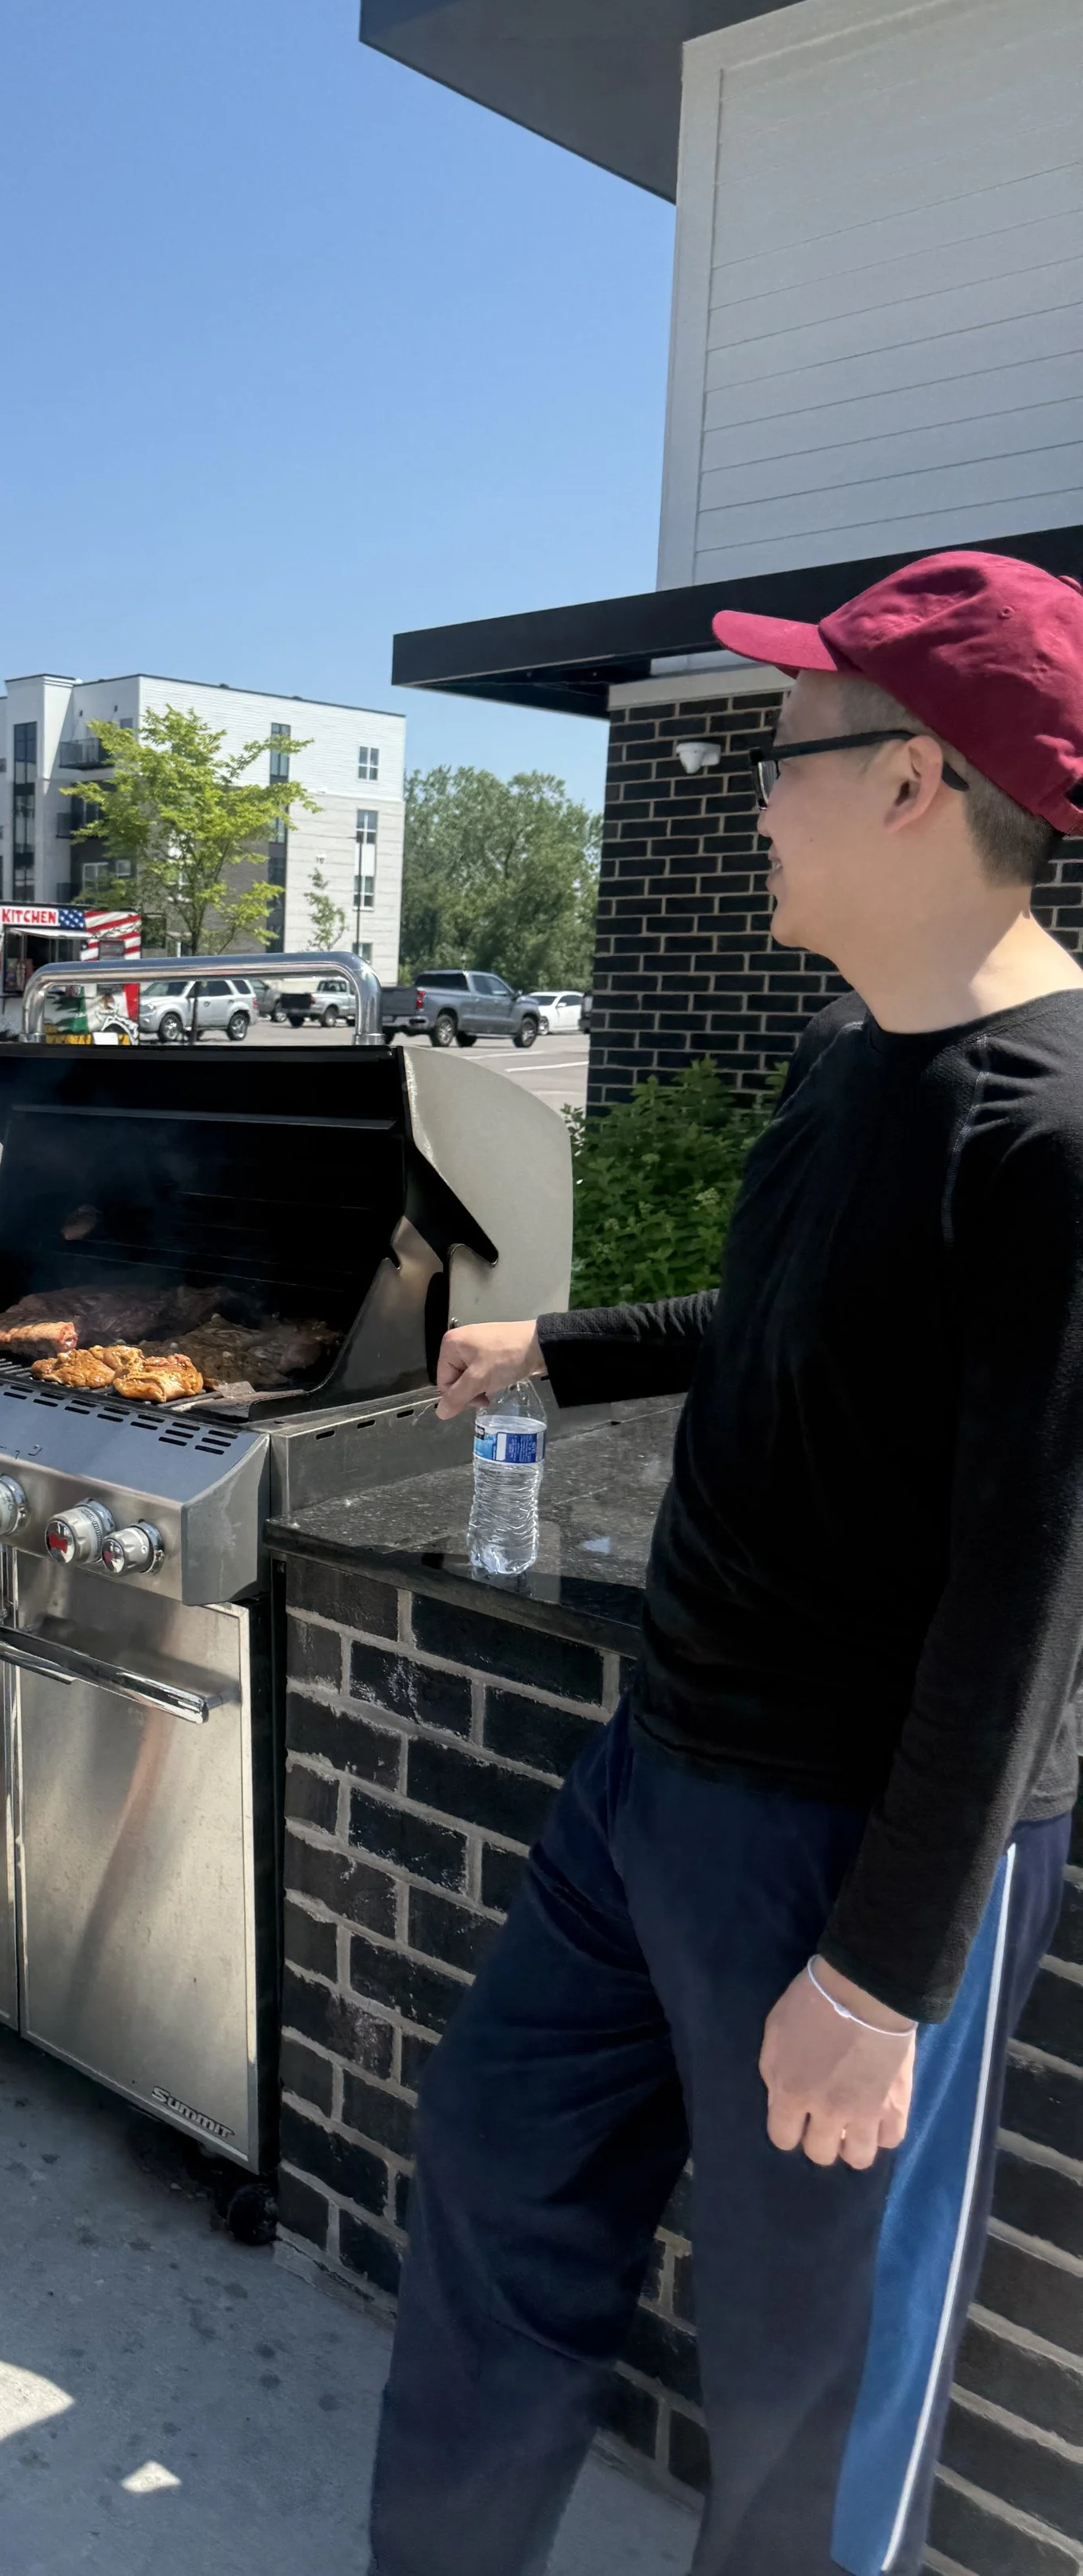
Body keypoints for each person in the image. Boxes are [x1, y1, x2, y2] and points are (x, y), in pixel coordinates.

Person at [368, 551, 1083, 2575]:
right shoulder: (849, 1050)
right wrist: (561, 1345)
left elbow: (1034, 1590)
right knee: (499, 2180)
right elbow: (780, 1321)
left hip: (853, 1852)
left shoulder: (1053, 1125)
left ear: (915, 784)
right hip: (652, 1784)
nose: (744, 794)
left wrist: (885, 1968)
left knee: (805, 2383)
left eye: (781, 753)